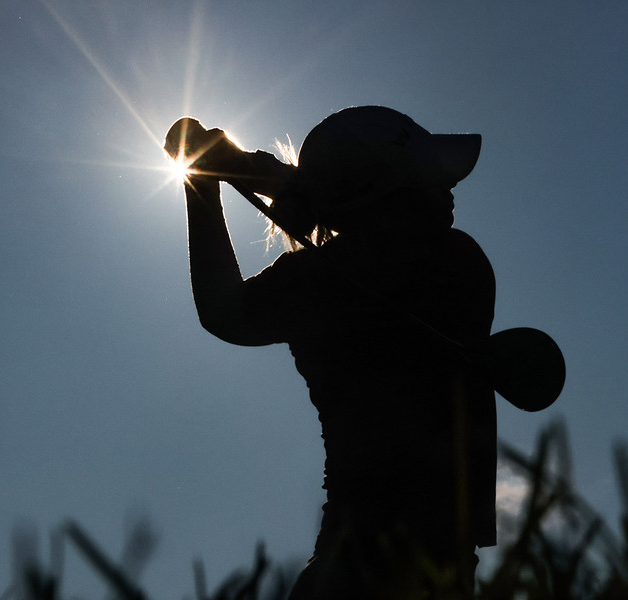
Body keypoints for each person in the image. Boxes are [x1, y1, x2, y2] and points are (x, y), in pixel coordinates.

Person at [170, 106, 497, 599]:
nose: (448, 189)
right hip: (408, 570)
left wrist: (208, 182)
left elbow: (224, 310)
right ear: (390, 194)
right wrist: (240, 169)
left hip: (350, 566)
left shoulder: (331, 279)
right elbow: (365, 239)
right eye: (426, 179)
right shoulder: (458, 263)